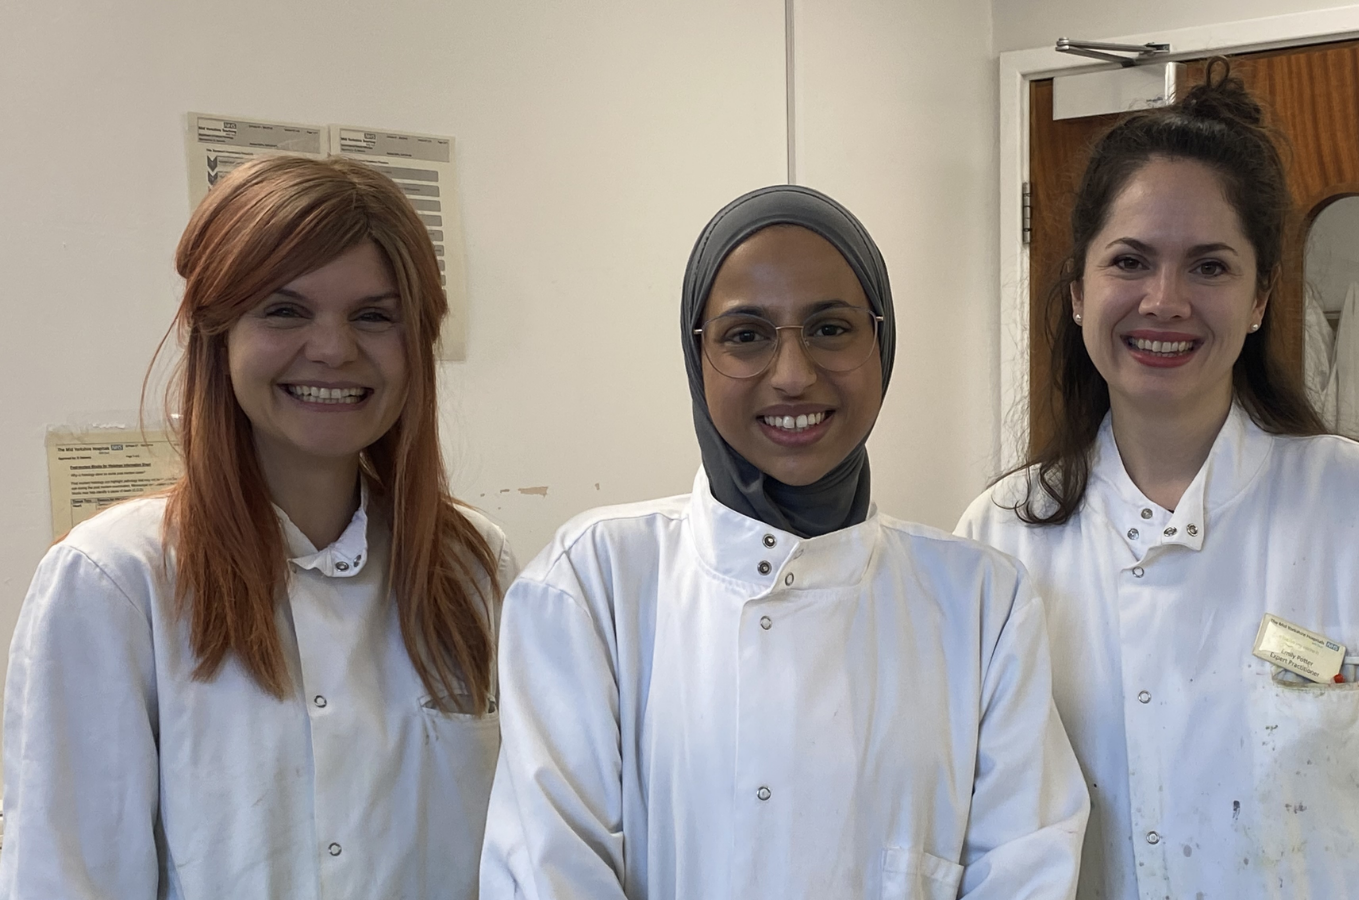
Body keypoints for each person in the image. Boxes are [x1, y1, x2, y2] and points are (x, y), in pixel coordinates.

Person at [957, 62, 1359, 899]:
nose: (1164, 300)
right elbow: (981, 836)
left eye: (1210, 267)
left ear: (1261, 299)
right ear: (1078, 292)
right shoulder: (1003, 536)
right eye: (1130, 261)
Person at [481, 185, 1090, 899]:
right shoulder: (593, 584)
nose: (794, 375)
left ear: (882, 342)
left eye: (832, 329)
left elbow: (1024, 869)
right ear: (696, 354)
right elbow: (549, 874)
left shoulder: (982, 600)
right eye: (747, 335)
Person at [0, 155, 517, 899]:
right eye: (284, 310)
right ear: (218, 333)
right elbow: (66, 879)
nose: (334, 348)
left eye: (375, 315)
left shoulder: (475, 564)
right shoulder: (117, 580)